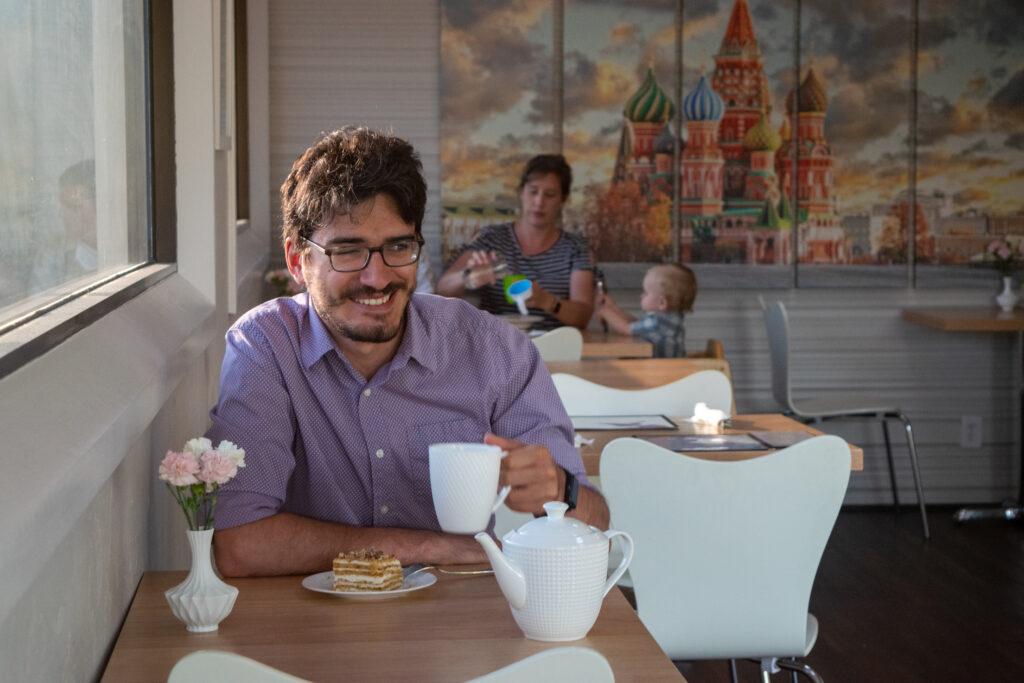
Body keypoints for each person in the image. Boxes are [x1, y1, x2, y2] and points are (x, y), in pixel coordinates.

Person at [206, 127, 609, 577]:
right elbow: (239, 544)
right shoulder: (266, 347)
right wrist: (427, 548)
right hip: (313, 632)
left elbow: (595, 521)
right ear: (298, 261)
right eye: (348, 251)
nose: (377, 278)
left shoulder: (492, 350)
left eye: (398, 247)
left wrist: (563, 490)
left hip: (459, 629)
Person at [436, 154, 594, 330]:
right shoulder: (491, 238)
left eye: (549, 195)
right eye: (533, 192)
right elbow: (442, 291)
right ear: (521, 192)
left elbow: (583, 316)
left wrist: (548, 301)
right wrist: (467, 277)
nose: (539, 202)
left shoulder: (575, 248)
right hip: (495, 342)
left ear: (563, 200)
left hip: (555, 347)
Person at [595, 264, 697, 358]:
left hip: (665, 374)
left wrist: (605, 312)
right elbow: (635, 324)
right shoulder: (668, 318)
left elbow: (626, 329)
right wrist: (613, 308)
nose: (642, 295)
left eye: (646, 292)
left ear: (661, 303)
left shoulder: (658, 322)